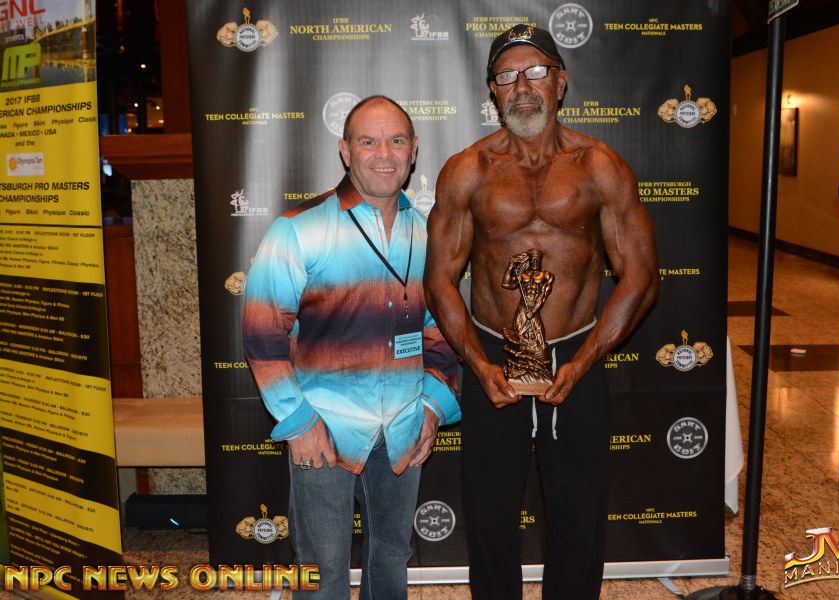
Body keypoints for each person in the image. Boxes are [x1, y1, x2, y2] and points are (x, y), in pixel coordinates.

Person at [424, 25, 659, 600]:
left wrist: (583, 362)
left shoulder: (600, 166)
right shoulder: (467, 169)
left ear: (561, 81)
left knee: (579, 511)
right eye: (507, 76)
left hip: (577, 351)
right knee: (488, 511)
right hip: (493, 354)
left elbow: (641, 276)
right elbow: (439, 279)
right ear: (493, 90)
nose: (522, 87)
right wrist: (477, 364)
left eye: (535, 72)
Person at [242, 95, 460, 599]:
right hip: (323, 428)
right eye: (368, 142)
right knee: (322, 570)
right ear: (345, 151)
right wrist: (298, 421)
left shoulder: (428, 235)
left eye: (396, 141)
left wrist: (432, 407)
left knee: (392, 557)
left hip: (404, 426)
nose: (384, 154)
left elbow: (441, 331)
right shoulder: (298, 229)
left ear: (414, 150)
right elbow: (262, 332)